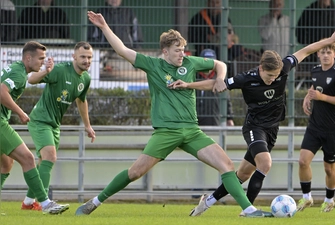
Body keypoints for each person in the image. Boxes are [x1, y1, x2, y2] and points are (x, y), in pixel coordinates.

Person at [75, 11, 273, 218]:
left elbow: (219, 64)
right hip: (166, 132)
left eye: (183, 50)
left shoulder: (190, 63)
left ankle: (248, 210)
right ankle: (94, 202)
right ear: (165, 52)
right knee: (134, 173)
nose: (182, 54)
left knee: (227, 165)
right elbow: (123, 50)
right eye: (177, 50)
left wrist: (221, 78)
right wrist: (104, 26)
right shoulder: (153, 65)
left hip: (192, 131)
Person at [169, 24, 335, 216]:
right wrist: (188, 84)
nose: (273, 79)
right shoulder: (247, 78)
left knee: (243, 174)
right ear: (261, 68)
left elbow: (306, 50)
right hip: (254, 127)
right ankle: (249, 210)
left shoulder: (282, 69)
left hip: (272, 130)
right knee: (265, 163)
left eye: (276, 76)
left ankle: (207, 201)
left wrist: (331, 40)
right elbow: (216, 83)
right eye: (270, 76)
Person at [17, 41, 96, 211]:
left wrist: (87, 126)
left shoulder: (86, 79)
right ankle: (45, 203)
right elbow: (31, 79)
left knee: (42, 162)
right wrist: (46, 71)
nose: (86, 60)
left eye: (89, 57)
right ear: (73, 56)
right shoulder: (60, 70)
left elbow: (81, 101)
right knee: (50, 157)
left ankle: (28, 203)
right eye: (83, 56)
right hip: (40, 120)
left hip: (54, 124)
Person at [0, 41, 70, 214]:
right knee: (28, 159)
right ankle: (45, 204)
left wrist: (46, 71)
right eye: (40, 59)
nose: (43, 62)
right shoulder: (19, 73)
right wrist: (21, 112)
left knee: (6, 164)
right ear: (28, 58)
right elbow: (1, 92)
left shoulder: (17, 68)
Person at [296, 38, 335, 213]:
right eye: (323, 52)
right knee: (303, 161)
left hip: (332, 130)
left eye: (329, 52)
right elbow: (315, 86)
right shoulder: (315, 70)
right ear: (318, 54)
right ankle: (306, 198)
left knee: (329, 168)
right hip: (314, 126)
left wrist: (322, 98)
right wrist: (307, 97)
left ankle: (329, 200)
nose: (326, 55)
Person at [88, 0, 144, 72]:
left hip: (126, 53)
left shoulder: (128, 12)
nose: (114, 0)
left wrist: (136, 49)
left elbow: (136, 33)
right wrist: (100, 49)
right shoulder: (100, 12)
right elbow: (93, 37)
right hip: (106, 54)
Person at [296, 0, 335, 73]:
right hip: (312, 55)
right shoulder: (309, 11)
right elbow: (299, 31)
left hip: (331, 52)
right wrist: (309, 46)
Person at [196, 49, 234, 126]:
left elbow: (226, 99)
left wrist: (229, 118)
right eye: (206, 61)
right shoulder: (194, 76)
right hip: (194, 118)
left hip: (213, 117)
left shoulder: (219, 78)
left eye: (211, 61)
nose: (209, 64)